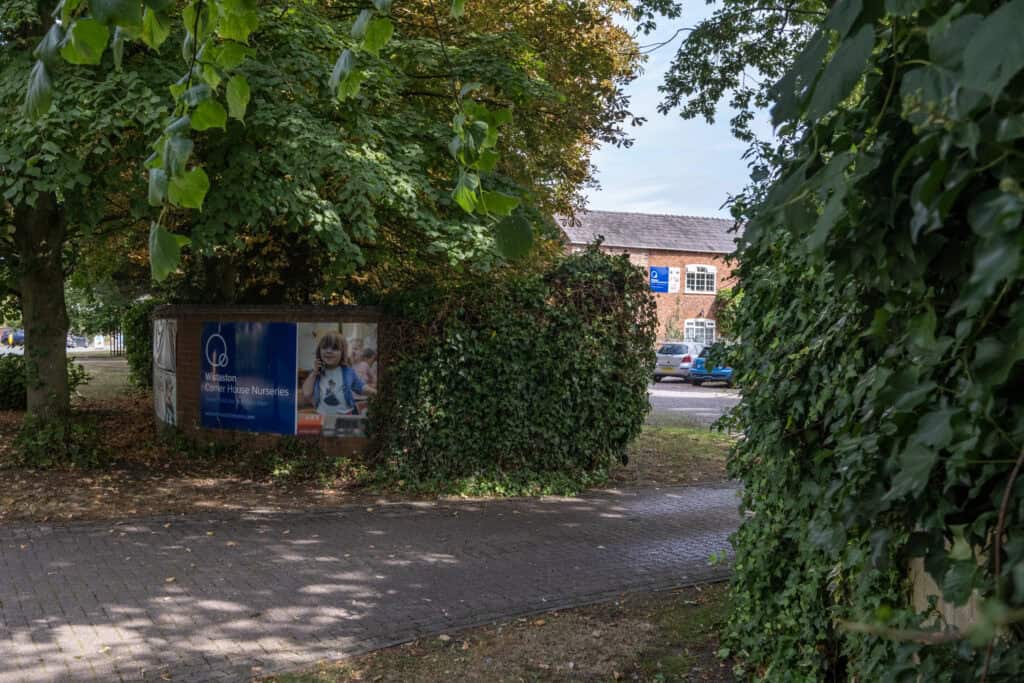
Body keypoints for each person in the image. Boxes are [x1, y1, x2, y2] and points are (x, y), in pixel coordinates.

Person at [301, 331, 375, 435]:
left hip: (346, 416)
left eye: (334, 348)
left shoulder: (348, 371)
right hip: (324, 417)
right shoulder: (316, 372)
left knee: (345, 438)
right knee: (327, 437)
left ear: (342, 352)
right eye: (325, 347)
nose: (329, 351)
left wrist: (375, 392)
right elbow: (307, 393)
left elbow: (361, 387)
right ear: (319, 351)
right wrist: (314, 373)